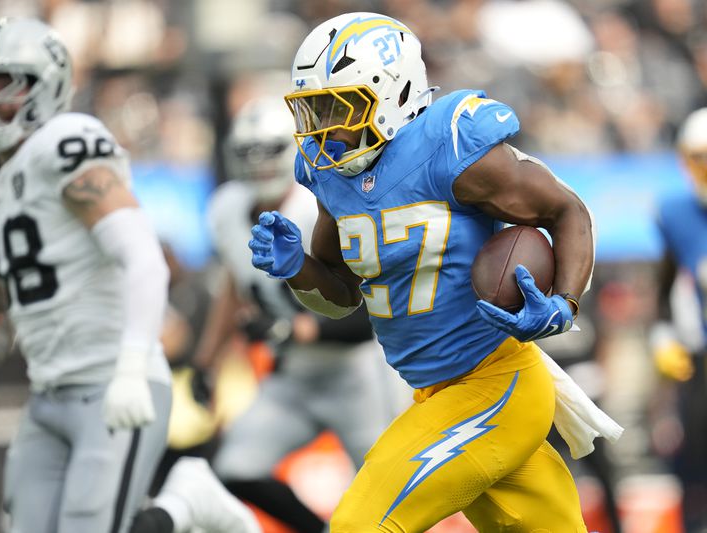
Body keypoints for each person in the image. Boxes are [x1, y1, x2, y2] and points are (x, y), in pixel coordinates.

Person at [248, 12, 622, 531]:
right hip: (433, 390)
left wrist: (563, 303)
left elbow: (567, 211)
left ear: (392, 93)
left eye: (339, 107)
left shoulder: (449, 146)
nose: (325, 127)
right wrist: (297, 269)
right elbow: (340, 297)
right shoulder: (328, 174)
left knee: (360, 522)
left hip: (496, 384)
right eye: (314, 109)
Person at [0, 17, 258, 533]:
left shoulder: (67, 146)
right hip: (49, 388)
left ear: (46, 84)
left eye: (4, 83)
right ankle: (179, 505)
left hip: (111, 380)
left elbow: (143, 256)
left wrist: (130, 366)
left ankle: (186, 502)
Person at [199, 96, 398, 532]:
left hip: (357, 376)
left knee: (392, 493)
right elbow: (235, 284)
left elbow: (368, 310)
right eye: (249, 153)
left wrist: (293, 329)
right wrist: (205, 361)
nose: (259, 163)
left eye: (269, 150)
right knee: (236, 468)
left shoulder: (319, 206)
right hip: (293, 378)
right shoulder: (228, 208)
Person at [651, 106, 707, 530]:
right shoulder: (674, 210)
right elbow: (667, 280)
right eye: (696, 158)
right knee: (692, 458)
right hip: (702, 358)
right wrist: (664, 334)